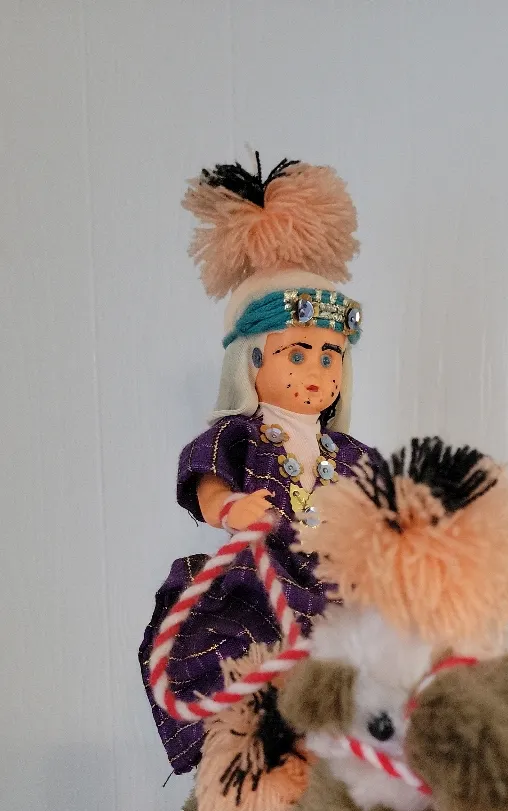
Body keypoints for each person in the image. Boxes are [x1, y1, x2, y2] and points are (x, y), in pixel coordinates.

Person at [139, 155, 373, 773]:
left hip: (339, 596)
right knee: (243, 665)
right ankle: (255, 775)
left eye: (330, 357)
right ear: (252, 362)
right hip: (261, 587)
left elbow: (385, 509)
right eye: (298, 354)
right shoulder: (240, 436)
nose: (317, 371)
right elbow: (206, 481)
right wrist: (230, 508)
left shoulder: (349, 455)